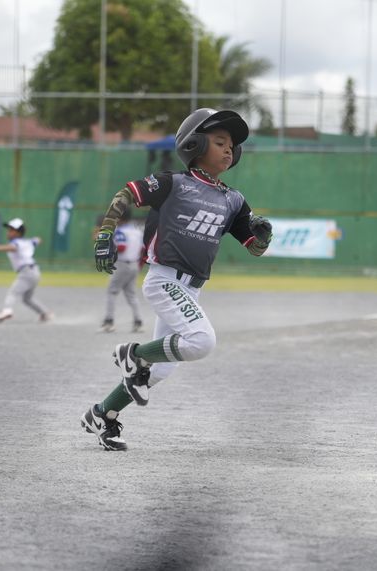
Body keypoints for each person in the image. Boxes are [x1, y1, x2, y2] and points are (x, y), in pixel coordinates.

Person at [81, 108, 273, 451]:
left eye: (232, 145)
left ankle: (101, 414)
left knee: (159, 372)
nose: (229, 150)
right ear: (194, 144)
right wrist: (104, 235)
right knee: (202, 341)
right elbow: (125, 194)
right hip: (164, 279)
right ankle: (133, 352)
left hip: (191, 289)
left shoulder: (234, 200)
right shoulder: (173, 183)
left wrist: (263, 236)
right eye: (219, 142)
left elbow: (254, 248)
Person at [0, 218, 53, 324]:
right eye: (9, 230)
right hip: (34, 272)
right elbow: (38, 240)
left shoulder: (16, 243)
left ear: (18, 232)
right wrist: (35, 240)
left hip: (26, 272)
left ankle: (7, 310)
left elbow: (13, 248)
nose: (9, 232)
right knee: (27, 299)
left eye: (11, 230)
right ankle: (45, 314)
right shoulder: (28, 242)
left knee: (12, 292)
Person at [99, 209, 145, 333]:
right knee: (131, 294)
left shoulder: (120, 231)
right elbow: (142, 249)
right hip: (134, 264)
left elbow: (121, 247)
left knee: (112, 292)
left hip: (122, 264)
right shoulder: (137, 231)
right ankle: (138, 322)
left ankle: (109, 322)